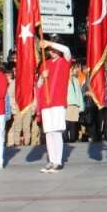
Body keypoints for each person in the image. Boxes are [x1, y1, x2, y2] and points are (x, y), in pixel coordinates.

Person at [37, 40, 72, 173]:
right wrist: (42, 76)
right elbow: (39, 85)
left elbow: (67, 49)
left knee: (56, 132)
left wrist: (49, 43)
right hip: (46, 102)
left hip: (58, 102)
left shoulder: (65, 60)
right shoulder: (45, 64)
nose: (52, 52)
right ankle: (51, 160)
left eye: (53, 49)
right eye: (49, 50)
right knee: (49, 132)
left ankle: (58, 161)